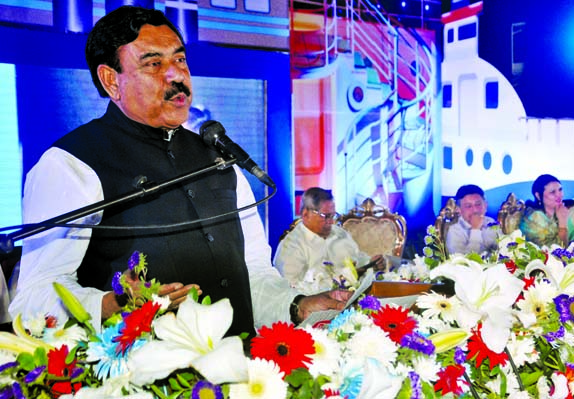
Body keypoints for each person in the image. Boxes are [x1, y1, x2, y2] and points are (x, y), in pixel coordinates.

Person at [9, 6, 348, 337]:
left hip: (245, 370)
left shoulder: (219, 159)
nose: (176, 76)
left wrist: (297, 305)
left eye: (180, 60)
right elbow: (34, 296)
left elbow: (254, 274)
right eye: (154, 63)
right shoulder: (71, 164)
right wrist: (110, 306)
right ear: (111, 80)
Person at [274, 187, 387, 287]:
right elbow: (291, 288)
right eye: (326, 216)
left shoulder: (339, 233)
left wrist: (372, 263)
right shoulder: (291, 245)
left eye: (333, 215)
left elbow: (358, 259)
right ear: (305, 214)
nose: (331, 221)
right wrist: (343, 278)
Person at [519, 174, 574, 247]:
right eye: (552, 192)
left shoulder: (560, 212)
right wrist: (562, 224)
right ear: (538, 195)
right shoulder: (535, 218)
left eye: (560, 190)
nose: (559, 195)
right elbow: (557, 251)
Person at [445, 184, 499, 254]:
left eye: (478, 204)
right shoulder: (455, 231)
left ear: (485, 205)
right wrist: (475, 230)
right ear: (459, 210)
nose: (475, 210)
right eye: (468, 206)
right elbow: (462, 261)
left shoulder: (491, 223)